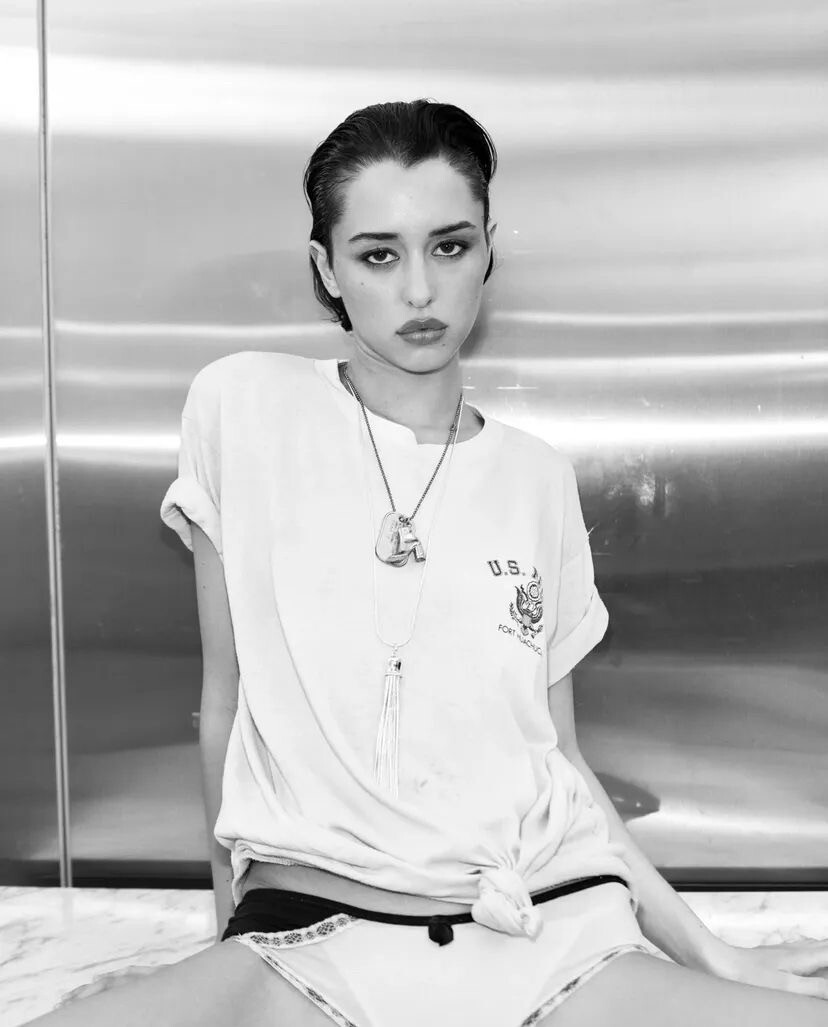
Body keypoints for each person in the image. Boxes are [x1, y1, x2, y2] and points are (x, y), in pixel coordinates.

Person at [35, 99, 827, 1026]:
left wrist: (711, 951)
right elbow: (228, 699)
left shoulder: (536, 477)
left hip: (549, 932)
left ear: (487, 252)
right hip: (311, 933)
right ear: (326, 269)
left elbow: (560, 756)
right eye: (378, 255)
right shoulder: (243, 408)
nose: (420, 289)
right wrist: (228, 949)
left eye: (449, 246)